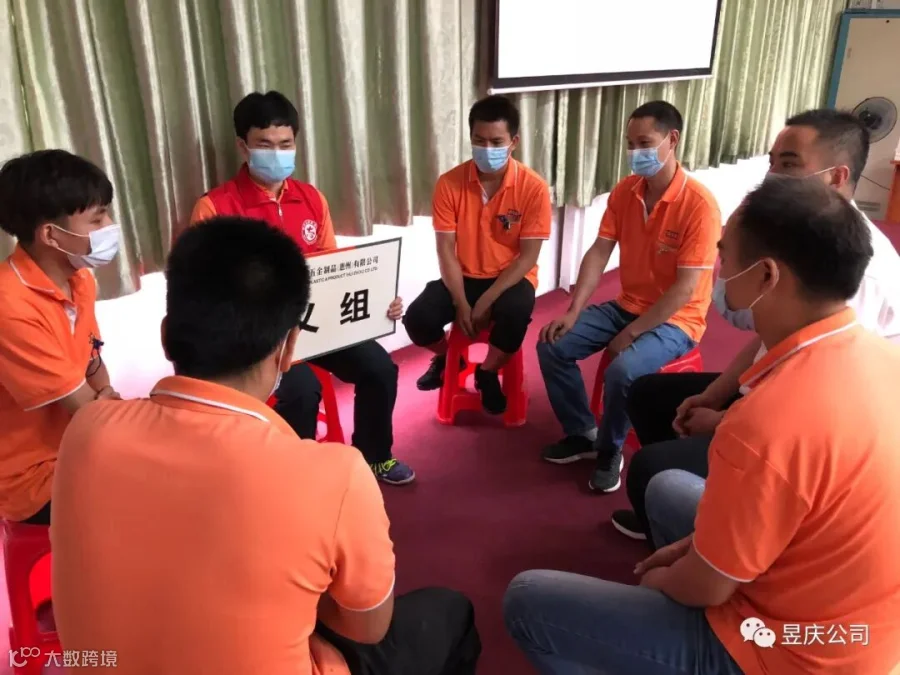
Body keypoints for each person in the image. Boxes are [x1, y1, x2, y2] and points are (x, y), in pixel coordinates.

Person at [51, 216, 481, 675]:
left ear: (166, 335)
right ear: (289, 348)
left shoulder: (87, 432)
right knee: (450, 611)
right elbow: (368, 627)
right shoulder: (336, 476)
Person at [505, 177, 900, 675]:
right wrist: (695, 550)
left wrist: (665, 582)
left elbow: (706, 587)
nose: (719, 271)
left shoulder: (766, 420)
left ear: (767, 276)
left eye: (725, 255)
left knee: (528, 600)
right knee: (668, 487)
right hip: (862, 621)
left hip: (791, 652)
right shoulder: (879, 355)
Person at [612, 108, 900, 542]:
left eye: (789, 164)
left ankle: (711, 524)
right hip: (779, 390)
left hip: (821, 437)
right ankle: (678, 511)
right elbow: (772, 340)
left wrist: (723, 423)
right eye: (771, 162)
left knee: (651, 470)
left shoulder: (858, 273)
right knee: (650, 395)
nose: (772, 177)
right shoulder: (800, 236)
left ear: (836, 176)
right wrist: (714, 394)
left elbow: (812, 411)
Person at [190, 91, 413, 485]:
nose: (277, 153)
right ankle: (296, 483)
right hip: (257, 339)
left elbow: (334, 272)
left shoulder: (311, 199)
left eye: (285, 144)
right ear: (243, 146)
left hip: (315, 326)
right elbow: (205, 292)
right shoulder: (215, 208)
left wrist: (377, 300)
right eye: (264, 145)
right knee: (301, 390)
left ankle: (374, 457)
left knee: (379, 368)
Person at [536, 101, 721, 492]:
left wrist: (633, 333)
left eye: (645, 143)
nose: (636, 153)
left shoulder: (699, 206)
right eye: (630, 144)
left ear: (672, 140)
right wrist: (573, 310)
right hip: (627, 305)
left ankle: (610, 450)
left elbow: (685, 289)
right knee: (552, 343)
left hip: (678, 319)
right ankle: (583, 432)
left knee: (623, 369)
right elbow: (599, 251)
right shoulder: (626, 191)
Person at [403, 95, 552, 414]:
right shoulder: (450, 183)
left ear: (513, 142)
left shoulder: (533, 187)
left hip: (511, 278)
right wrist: (461, 301)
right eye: (479, 141)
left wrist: (486, 300)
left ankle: (487, 372)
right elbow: (445, 249)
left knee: (515, 314)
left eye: (496, 142)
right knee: (417, 319)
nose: (487, 148)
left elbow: (527, 257)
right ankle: (449, 357)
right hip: (463, 275)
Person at [0, 149, 121, 526]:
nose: (110, 226)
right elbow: (85, 408)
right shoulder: (9, 306)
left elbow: (93, 360)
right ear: (51, 235)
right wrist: (109, 411)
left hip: (82, 443)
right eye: (97, 219)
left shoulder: (79, 278)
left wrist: (107, 399)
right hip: (31, 478)